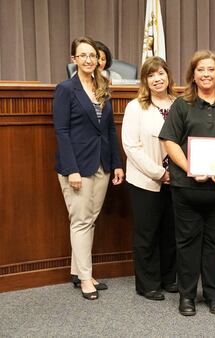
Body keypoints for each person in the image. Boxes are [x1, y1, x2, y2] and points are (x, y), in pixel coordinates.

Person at [159, 50, 215, 316]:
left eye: (211, 70)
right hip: (187, 188)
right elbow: (169, 142)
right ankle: (186, 297)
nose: (206, 74)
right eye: (201, 70)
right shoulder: (182, 104)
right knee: (187, 243)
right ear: (193, 74)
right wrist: (190, 168)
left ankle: (214, 296)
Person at [53, 36, 124, 300]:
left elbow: (108, 129)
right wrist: (71, 169)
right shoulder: (65, 89)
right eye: (82, 55)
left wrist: (116, 163)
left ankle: (79, 271)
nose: (88, 60)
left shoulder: (103, 86)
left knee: (89, 220)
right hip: (77, 166)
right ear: (74, 59)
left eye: (92, 55)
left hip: (102, 164)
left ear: (98, 60)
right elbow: (61, 131)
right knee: (81, 221)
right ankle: (85, 278)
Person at [121, 56, 177, 301]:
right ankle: (148, 284)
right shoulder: (136, 107)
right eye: (151, 75)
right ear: (145, 80)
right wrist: (160, 173)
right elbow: (131, 147)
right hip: (146, 180)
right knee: (147, 234)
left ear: (168, 76)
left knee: (171, 231)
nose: (157, 79)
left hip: (177, 180)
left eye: (161, 73)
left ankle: (168, 278)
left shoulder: (179, 104)